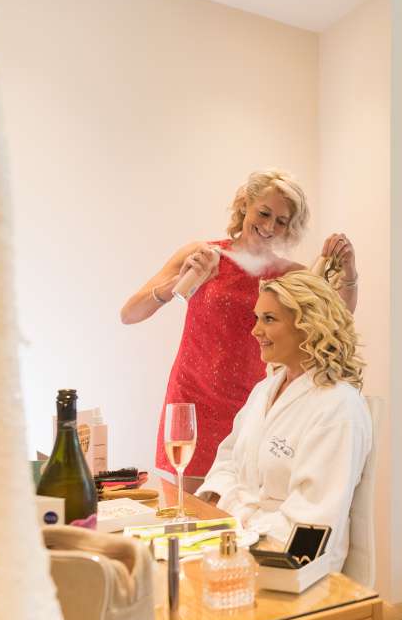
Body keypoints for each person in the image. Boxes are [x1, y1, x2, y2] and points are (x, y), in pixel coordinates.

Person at [120, 169, 359, 485]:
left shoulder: (291, 275)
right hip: (193, 401)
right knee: (191, 514)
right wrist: (176, 283)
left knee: (240, 510)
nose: (269, 226)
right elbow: (130, 313)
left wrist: (349, 273)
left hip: (252, 406)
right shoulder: (203, 256)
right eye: (264, 213)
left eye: (282, 221)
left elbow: (337, 319)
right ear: (245, 205)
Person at [196, 270, 371, 572]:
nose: (255, 331)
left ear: (308, 326)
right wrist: (231, 515)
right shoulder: (264, 390)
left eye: (269, 319)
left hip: (293, 563)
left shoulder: (338, 407)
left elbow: (312, 521)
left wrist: (236, 518)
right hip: (240, 538)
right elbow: (226, 463)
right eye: (257, 318)